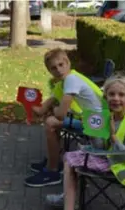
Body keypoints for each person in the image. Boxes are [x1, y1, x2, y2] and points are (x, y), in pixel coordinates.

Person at [45, 74, 125, 209]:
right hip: (112, 157)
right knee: (71, 158)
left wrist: (113, 137)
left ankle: (69, 201)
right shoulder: (108, 115)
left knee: (71, 162)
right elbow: (100, 146)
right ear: (106, 97)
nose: (116, 98)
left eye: (121, 95)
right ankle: (69, 199)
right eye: (111, 94)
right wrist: (92, 132)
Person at [24, 48, 103, 187]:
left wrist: (52, 110)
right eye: (53, 68)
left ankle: (52, 171)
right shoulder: (62, 83)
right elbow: (41, 110)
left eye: (61, 65)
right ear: (50, 71)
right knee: (49, 120)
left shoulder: (72, 80)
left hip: (98, 125)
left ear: (68, 63)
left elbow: (60, 114)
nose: (58, 70)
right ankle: (53, 162)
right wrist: (27, 101)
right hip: (90, 120)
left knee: (51, 123)